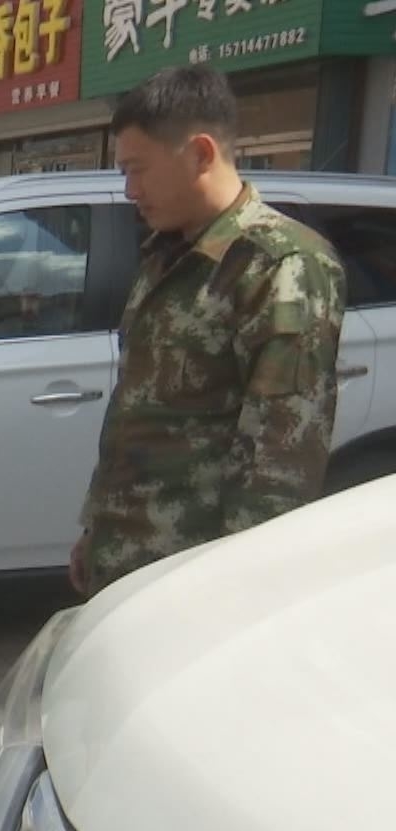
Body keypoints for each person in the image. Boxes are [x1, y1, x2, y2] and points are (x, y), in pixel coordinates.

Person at [70, 65, 343, 598]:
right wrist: (95, 530)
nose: (129, 190)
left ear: (199, 153)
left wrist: (235, 591)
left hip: (193, 575)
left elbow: (281, 456)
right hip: (127, 559)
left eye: (138, 170)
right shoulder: (166, 255)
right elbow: (138, 413)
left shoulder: (280, 265)